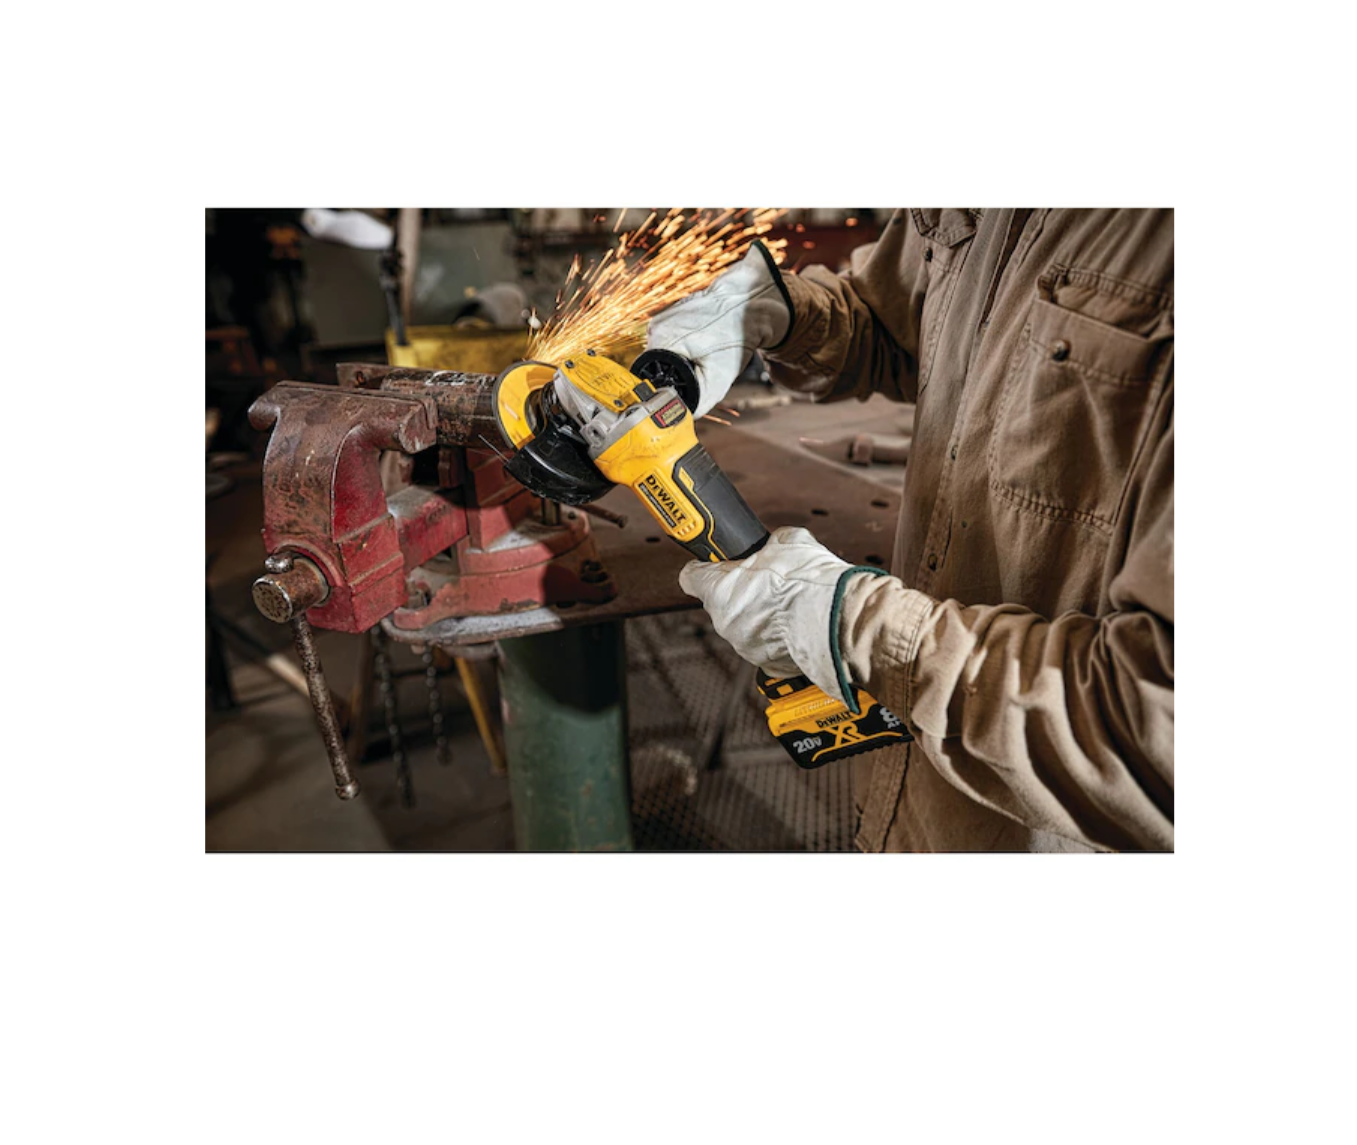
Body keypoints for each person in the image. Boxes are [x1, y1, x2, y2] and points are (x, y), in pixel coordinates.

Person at [646, 209, 1173, 853]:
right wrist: (776, 312)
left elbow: (1159, 736)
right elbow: (893, 319)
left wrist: (852, 626)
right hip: (911, 795)